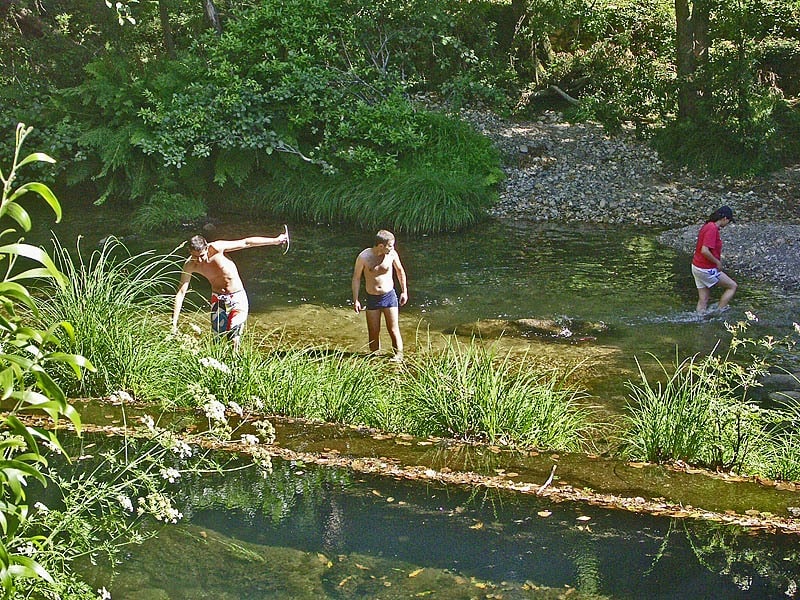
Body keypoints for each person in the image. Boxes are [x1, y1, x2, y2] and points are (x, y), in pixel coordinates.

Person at [172, 230, 288, 349]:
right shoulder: (190, 265)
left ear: (207, 248)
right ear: (190, 252)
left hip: (237, 297)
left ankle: (235, 364)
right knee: (217, 341)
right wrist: (174, 324)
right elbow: (181, 293)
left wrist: (275, 240)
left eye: (201, 256)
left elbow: (246, 242)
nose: (199, 260)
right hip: (217, 300)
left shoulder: (217, 248)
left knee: (234, 338)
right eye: (195, 256)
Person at [352, 230, 408, 361]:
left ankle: (398, 356)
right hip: (372, 298)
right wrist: (355, 299)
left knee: (393, 329)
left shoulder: (392, 254)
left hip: (389, 296)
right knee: (373, 331)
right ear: (381, 246)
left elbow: (400, 272)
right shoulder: (364, 257)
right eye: (390, 245)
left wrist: (404, 291)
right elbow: (356, 278)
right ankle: (374, 356)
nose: (393, 248)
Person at [691, 205, 738, 314]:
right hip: (705, 268)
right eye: (729, 221)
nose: (728, 224)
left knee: (703, 299)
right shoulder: (712, 229)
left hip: (696, 267)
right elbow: (705, 250)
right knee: (732, 286)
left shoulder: (707, 226)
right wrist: (717, 262)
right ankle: (719, 313)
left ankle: (699, 320)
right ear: (725, 218)